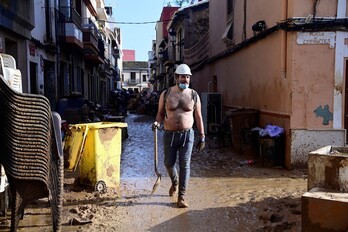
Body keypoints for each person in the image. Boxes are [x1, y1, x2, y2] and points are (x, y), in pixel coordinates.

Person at [153, 63, 205, 208]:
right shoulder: (166, 94)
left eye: (187, 77)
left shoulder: (194, 95)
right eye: (183, 77)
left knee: (185, 165)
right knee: (168, 163)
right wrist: (157, 123)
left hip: (187, 135)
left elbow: (199, 117)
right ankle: (175, 182)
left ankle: (182, 197)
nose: (185, 80)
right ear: (176, 77)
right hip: (169, 135)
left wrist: (202, 136)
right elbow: (160, 113)